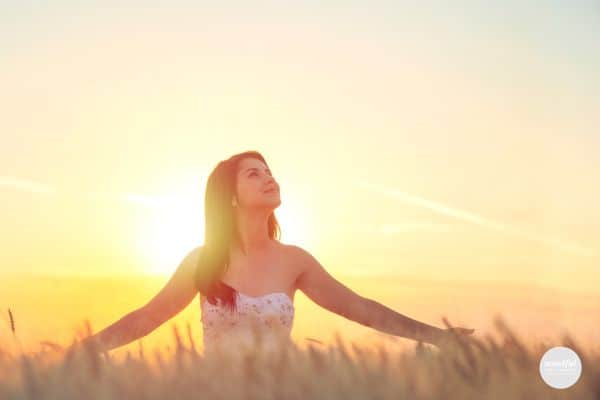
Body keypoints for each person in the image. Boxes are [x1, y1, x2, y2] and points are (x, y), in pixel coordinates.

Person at [76, 150, 475, 356]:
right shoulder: (202, 261)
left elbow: (360, 308)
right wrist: (83, 351)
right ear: (230, 198)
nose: (269, 177)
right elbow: (148, 317)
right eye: (255, 173)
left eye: (269, 171)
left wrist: (437, 336)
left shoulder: (295, 262)